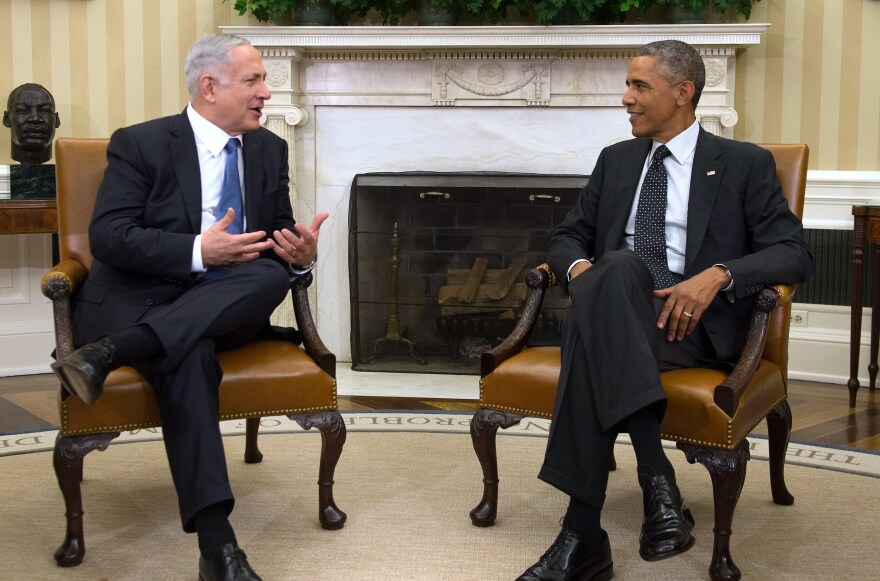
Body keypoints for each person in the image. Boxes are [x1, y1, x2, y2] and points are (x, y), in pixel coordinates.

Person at [518, 40, 813, 581]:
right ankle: (654, 483)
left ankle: (584, 535)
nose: (625, 98)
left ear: (683, 93)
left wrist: (718, 275)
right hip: (619, 306)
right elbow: (567, 237)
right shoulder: (616, 160)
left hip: (693, 327)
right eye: (628, 85)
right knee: (618, 269)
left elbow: (793, 252)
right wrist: (586, 274)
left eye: (639, 86)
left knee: (593, 332)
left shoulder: (744, 164)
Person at [50, 34, 329, 581]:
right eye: (253, 81)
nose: (266, 93)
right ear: (210, 86)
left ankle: (113, 352)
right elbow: (109, 237)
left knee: (271, 270)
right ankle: (218, 547)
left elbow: (276, 238)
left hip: (226, 304)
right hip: (143, 295)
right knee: (187, 352)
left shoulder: (269, 149)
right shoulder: (143, 143)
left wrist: (300, 257)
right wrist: (200, 250)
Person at [3, 82, 61, 164]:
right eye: (22, 111)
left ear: (57, 120)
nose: (35, 118)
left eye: (45, 110)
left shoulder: (69, 175)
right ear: (6, 119)